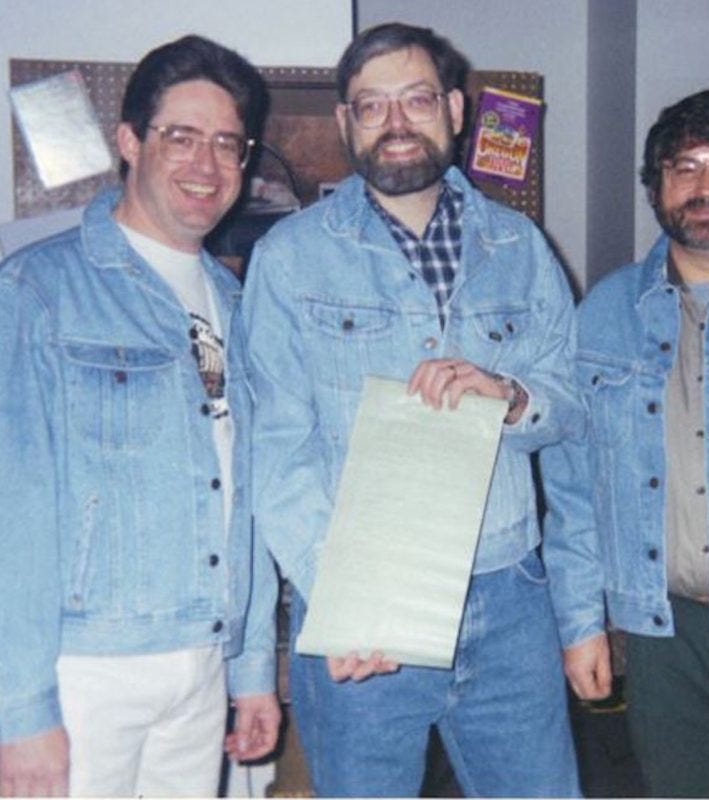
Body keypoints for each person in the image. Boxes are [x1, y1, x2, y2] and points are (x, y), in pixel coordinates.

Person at [244, 21, 589, 798]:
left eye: (417, 100)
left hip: (510, 600)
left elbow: (571, 407)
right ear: (345, 124)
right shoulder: (290, 258)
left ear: (457, 109)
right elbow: (277, 446)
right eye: (372, 107)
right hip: (363, 602)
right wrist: (343, 598)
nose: (397, 123)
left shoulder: (520, 246)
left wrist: (513, 397)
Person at [0, 35, 280, 797]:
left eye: (228, 144)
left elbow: (245, 494)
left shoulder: (234, 304)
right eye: (180, 137)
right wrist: (20, 711)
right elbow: (13, 512)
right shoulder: (39, 291)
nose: (207, 165)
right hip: (83, 673)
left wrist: (252, 668)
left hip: (202, 665)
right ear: (128, 142)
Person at [542, 89, 709, 797]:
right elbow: (573, 490)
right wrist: (579, 624)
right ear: (656, 185)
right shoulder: (606, 311)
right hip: (664, 642)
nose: (707, 187)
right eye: (685, 167)